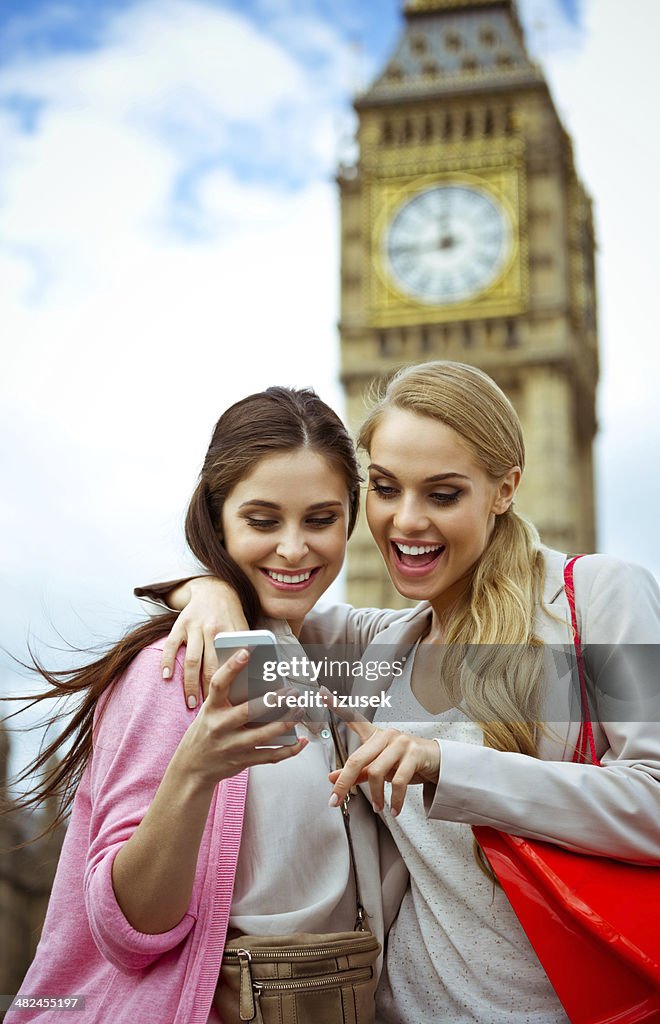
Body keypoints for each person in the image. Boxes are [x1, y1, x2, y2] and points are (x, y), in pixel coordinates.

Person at [141, 361, 660, 1024]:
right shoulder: (376, 646)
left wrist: (449, 766)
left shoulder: (598, 598)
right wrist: (203, 589)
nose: (405, 522)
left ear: (506, 489)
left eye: (443, 495)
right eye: (385, 489)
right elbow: (265, 577)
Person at [4, 386, 403, 1024]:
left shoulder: (329, 658)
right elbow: (127, 930)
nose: (294, 549)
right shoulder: (175, 671)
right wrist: (195, 769)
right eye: (263, 521)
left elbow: (562, 672)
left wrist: (205, 586)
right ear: (218, 519)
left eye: (320, 519)